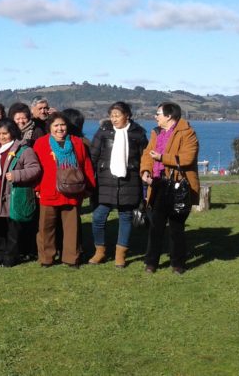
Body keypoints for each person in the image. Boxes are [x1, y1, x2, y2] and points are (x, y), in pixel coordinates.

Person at [141, 102, 200, 275]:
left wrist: (162, 157)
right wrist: (145, 171)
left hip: (177, 184)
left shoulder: (187, 133)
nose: (155, 116)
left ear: (169, 116)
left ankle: (178, 264)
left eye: (158, 113)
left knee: (176, 227)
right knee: (155, 226)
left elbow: (187, 158)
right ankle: (151, 263)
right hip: (158, 184)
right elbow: (147, 154)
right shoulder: (156, 132)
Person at [89, 102, 149, 268]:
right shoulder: (103, 132)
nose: (114, 119)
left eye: (117, 115)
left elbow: (145, 158)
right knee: (98, 217)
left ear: (127, 115)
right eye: (112, 115)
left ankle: (120, 255)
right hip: (105, 181)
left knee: (126, 217)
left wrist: (145, 174)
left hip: (129, 181)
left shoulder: (138, 134)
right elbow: (93, 156)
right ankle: (99, 251)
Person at [32, 112, 95, 268]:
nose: (60, 129)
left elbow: (86, 165)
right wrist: (37, 188)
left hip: (72, 191)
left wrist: (89, 187)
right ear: (50, 128)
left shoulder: (77, 143)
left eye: (62, 125)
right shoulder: (41, 143)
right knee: (46, 227)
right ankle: (47, 258)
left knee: (71, 227)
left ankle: (71, 257)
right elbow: (36, 168)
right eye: (56, 125)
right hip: (48, 190)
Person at [0, 119, 41, 267]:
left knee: (12, 229)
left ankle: (11, 257)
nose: (1, 137)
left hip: (11, 195)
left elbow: (35, 169)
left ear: (13, 133)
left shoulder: (24, 150)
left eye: (5, 133)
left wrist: (17, 175)